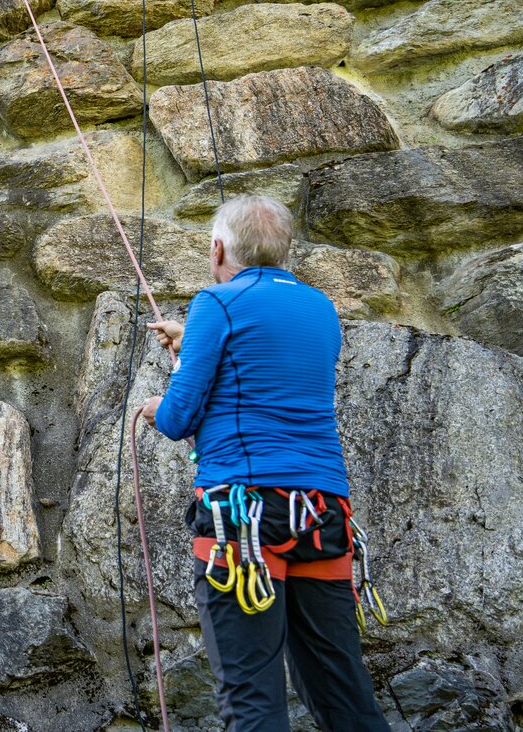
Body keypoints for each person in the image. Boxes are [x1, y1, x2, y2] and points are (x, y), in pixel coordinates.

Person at [141, 195, 389, 732]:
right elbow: (268, 365)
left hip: (243, 515)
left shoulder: (215, 302)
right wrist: (195, 339)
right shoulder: (321, 307)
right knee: (343, 692)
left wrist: (158, 403)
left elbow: (180, 417)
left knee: (252, 697)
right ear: (283, 250)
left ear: (217, 249)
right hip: (323, 513)